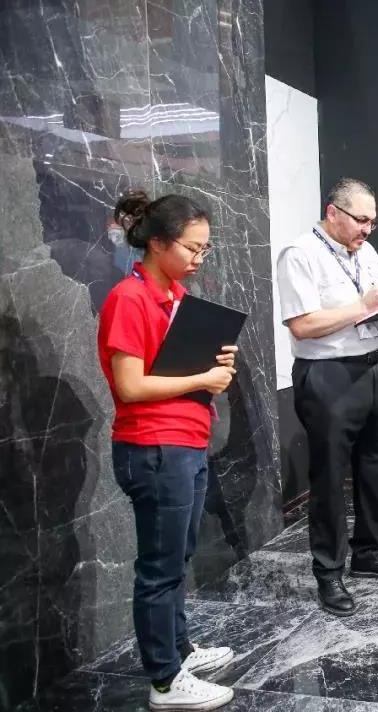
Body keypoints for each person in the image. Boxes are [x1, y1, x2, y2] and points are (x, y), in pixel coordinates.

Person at [98, 191, 238, 710]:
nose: (199, 258)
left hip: (185, 439)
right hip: (154, 446)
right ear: (157, 243)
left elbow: (174, 366)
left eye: (205, 249)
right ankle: (164, 680)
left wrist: (215, 366)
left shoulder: (177, 296)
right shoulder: (129, 298)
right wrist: (203, 378)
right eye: (192, 248)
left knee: (178, 556)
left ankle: (179, 650)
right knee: (160, 567)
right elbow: (130, 385)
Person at [277, 178, 378, 618]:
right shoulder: (300, 253)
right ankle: (328, 571)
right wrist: (363, 304)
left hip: (376, 367)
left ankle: (368, 552)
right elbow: (303, 325)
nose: (367, 229)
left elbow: (369, 313)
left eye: (373, 222)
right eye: (361, 220)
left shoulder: (367, 252)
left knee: (376, 466)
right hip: (329, 375)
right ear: (332, 212)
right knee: (329, 476)